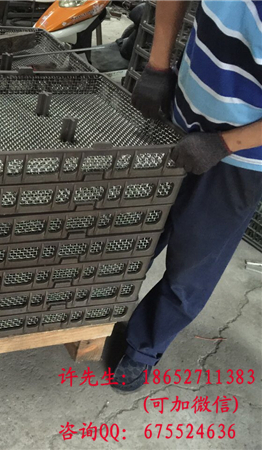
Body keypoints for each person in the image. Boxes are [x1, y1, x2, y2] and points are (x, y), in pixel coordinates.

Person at [112, 0, 262, 391]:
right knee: (129, 234)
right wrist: (158, 66)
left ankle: (142, 347)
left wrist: (225, 144)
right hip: (180, 112)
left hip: (242, 157)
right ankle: (95, 315)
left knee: (191, 267)